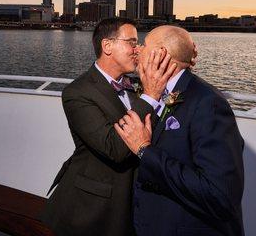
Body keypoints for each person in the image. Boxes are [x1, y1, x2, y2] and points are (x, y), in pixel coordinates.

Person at [41, 18, 176, 236]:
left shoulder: (135, 84)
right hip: (91, 210)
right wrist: (150, 95)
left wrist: (175, 63)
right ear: (107, 46)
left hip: (133, 203)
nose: (138, 49)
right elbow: (114, 147)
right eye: (131, 42)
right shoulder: (78, 93)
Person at [115, 25, 245, 236]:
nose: (137, 49)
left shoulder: (209, 104)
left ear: (162, 55)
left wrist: (144, 150)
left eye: (144, 45)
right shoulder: (162, 90)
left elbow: (220, 195)